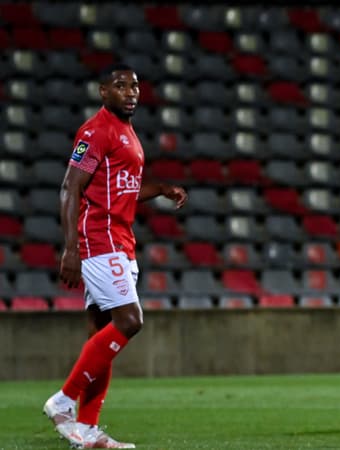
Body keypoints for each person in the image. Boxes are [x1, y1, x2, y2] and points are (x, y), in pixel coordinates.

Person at [42, 63, 187, 449]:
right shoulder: (96, 131)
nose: (131, 92)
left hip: (121, 239)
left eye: (135, 86)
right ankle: (63, 400)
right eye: (120, 86)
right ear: (103, 92)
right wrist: (71, 247)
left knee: (102, 336)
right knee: (130, 320)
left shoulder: (128, 134)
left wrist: (160, 189)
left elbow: (121, 189)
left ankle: (87, 430)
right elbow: (69, 188)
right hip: (99, 238)